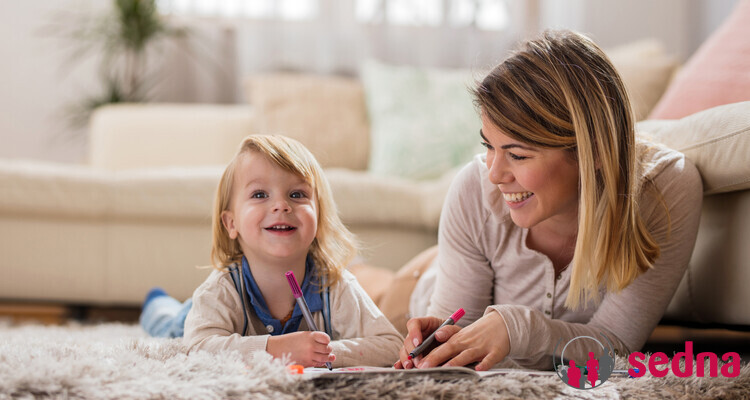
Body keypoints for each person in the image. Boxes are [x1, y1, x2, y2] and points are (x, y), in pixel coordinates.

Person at [394, 29, 703, 371]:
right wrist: (444, 344)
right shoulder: (473, 188)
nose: (494, 174)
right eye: (488, 147)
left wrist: (522, 329)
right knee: (359, 290)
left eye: (518, 155)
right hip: (420, 282)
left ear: (595, 151)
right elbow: (459, 343)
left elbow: (616, 350)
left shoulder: (664, 190)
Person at [140, 135, 403, 368]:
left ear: (319, 219)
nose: (281, 205)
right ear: (231, 223)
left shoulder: (336, 285)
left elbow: (391, 345)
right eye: (259, 194)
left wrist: (322, 352)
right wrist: (277, 350)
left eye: (297, 194)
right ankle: (157, 302)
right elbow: (196, 347)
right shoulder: (219, 290)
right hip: (193, 318)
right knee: (167, 323)